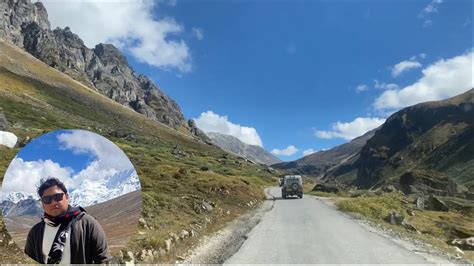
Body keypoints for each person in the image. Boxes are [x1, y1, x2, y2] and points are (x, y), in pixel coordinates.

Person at [25, 177, 111, 264]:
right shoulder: (35, 233)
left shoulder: (87, 223)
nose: (53, 202)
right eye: (47, 199)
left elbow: (103, 258)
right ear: (42, 204)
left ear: (66, 197)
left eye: (58, 197)